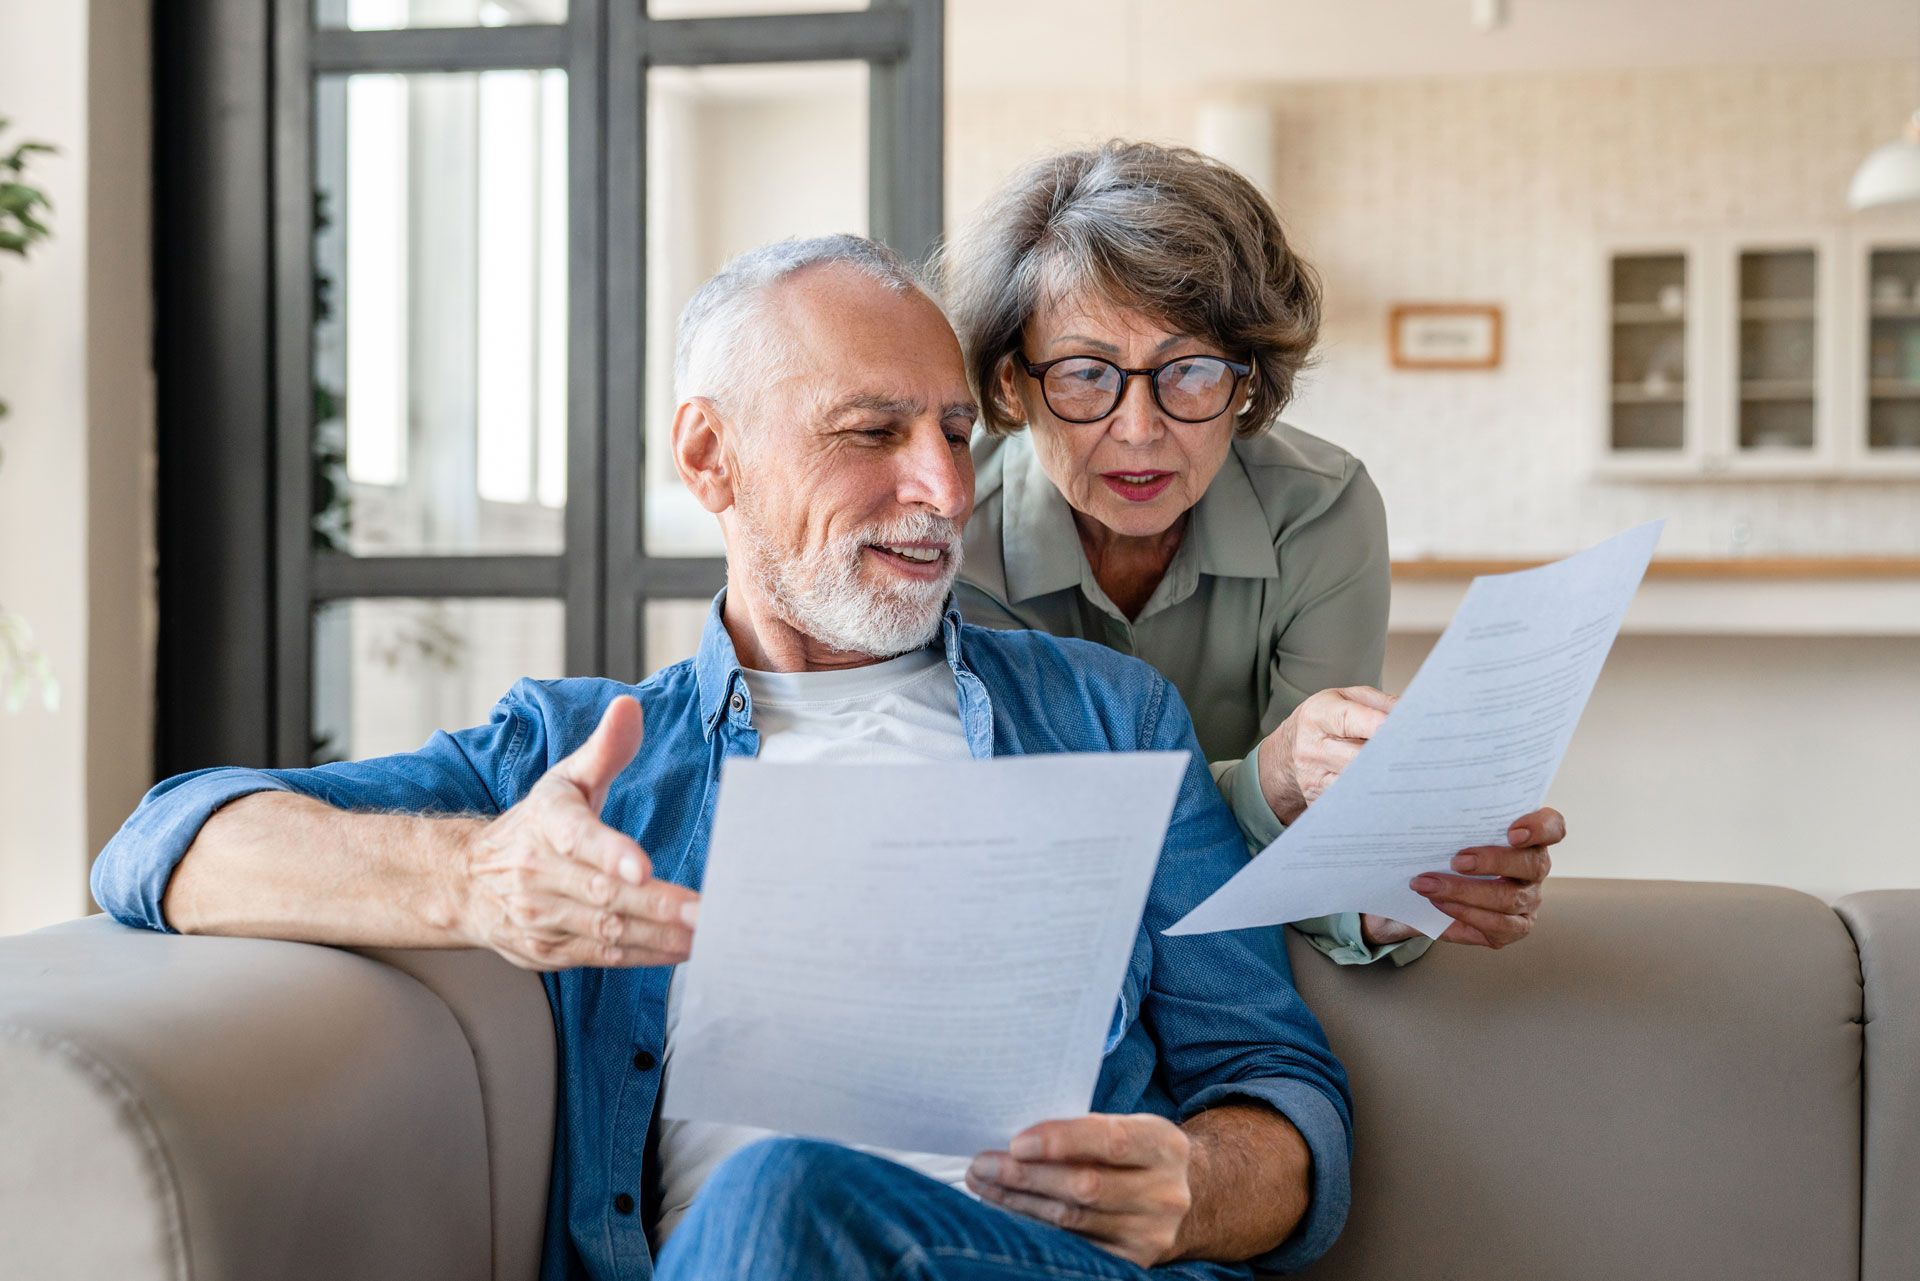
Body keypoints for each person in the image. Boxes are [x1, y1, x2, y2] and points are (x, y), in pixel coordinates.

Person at [92, 236, 1353, 1281]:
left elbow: (1279, 1096)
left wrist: (1192, 1189)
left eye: (957, 432)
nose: (942, 490)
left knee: (792, 1194)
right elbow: (163, 844)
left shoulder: (1112, 718)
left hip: (1040, 1265)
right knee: (776, 1207)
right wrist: (477, 877)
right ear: (711, 458)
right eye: (873, 433)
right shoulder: (581, 754)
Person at [940, 141, 1563, 964]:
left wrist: (1386, 897)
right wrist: (1268, 783)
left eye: (1191, 371)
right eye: (1087, 373)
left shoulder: (1323, 510)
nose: (1138, 429)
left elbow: (1326, 845)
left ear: (1248, 384)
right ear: (1014, 384)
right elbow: (1037, 844)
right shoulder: (948, 531)